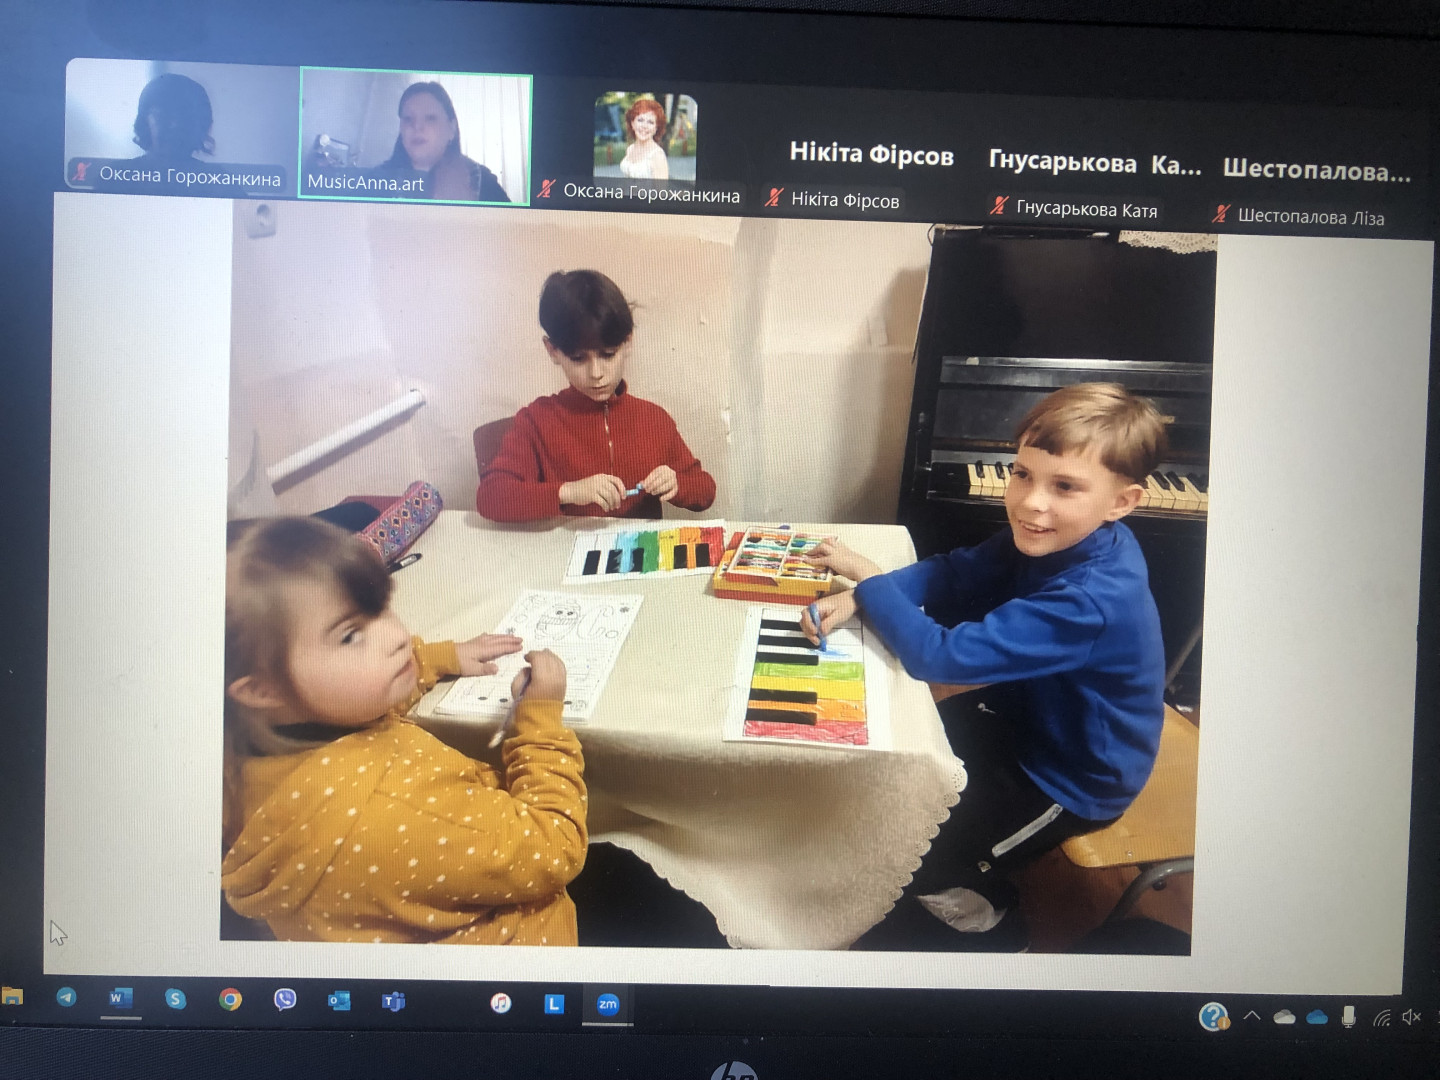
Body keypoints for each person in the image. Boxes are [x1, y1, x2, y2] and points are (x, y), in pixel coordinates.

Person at [802, 382, 1168, 949]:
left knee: (919, 855)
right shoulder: (1055, 535)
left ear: (1121, 503)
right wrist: (859, 596)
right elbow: (954, 570)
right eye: (1022, 474)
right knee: (891, 767)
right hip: (1022, 719)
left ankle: (997, 929)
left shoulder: (1092, 598)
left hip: (1070, 778)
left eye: (1065, 486)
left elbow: (939, 658)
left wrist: (870, 581)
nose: (1030, 503)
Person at [220, 516, 586, 945]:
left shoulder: (247, 750)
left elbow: (352, 703)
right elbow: (554, 845)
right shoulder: (393, 807)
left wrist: (438, 659)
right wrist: (539, 720)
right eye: (350, 636)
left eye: (380, 608)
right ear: (261, 690)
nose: (398, 636)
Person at [476, 270, 717, 522]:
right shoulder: (537, 421)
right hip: (568, 546)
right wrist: (568, 492)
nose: (596, 373)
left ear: (628, 342)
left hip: (638, 546)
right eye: (578, 359)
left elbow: (705, 490)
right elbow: (490, 497)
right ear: (553, 351)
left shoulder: (653, 419)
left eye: (608, 354)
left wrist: (678, 484)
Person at [377, 81, 510, 202]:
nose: (417, 126)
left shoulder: (482, 182)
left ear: (451, 128)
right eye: (408, 118)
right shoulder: (376, 181)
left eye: (430, 118)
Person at [131, 73, 214, 164]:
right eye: (163, 115)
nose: (175, 124)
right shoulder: (122, 170)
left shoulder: (216, 172)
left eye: (185, 116)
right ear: (144, 122)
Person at [618, 98, 670, 180]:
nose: (644, 126)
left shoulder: (657, 156)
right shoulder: (630, 149)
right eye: (640, 120)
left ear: (656, 128)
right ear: (632, 123)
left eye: (650, 122)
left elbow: (661, 188)